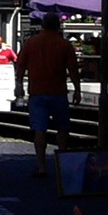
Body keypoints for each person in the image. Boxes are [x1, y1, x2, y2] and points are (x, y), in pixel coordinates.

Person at [18, 15, 80, 178]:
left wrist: (18, 85)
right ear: (58, 26)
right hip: (58, 91)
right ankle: (62, 164)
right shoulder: (64, 44)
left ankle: (41, 165)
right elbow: (73, 69)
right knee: (62, 129)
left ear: (43, 25)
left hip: (37, 91)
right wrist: (77, 89)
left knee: (39, 130)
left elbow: (20, 65)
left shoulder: (31, 43)